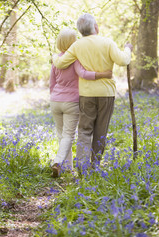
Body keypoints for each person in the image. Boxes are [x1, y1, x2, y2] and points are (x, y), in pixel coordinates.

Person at [52, 13, 133, 173]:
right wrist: (128, 49)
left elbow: (60, 63)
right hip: (106, 93)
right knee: (100, 130)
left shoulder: (77, 45)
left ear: (80, 31)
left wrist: (54, 57)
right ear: (95, 27)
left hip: (86, 94)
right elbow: (124, 60)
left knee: (84, 129)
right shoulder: (108, 42)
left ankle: (82, 167)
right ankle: (95, 165)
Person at [50, 28, 112, 177]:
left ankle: (67, 167)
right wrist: (103, 74)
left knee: (61, 135)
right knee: (68, 135)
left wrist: (54, 97)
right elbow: (84, 74)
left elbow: (52, 83)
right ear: (73, 42)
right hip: (71, 102)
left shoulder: (56, 60)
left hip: (55, 101)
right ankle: (58, 162)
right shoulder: (75, 59)